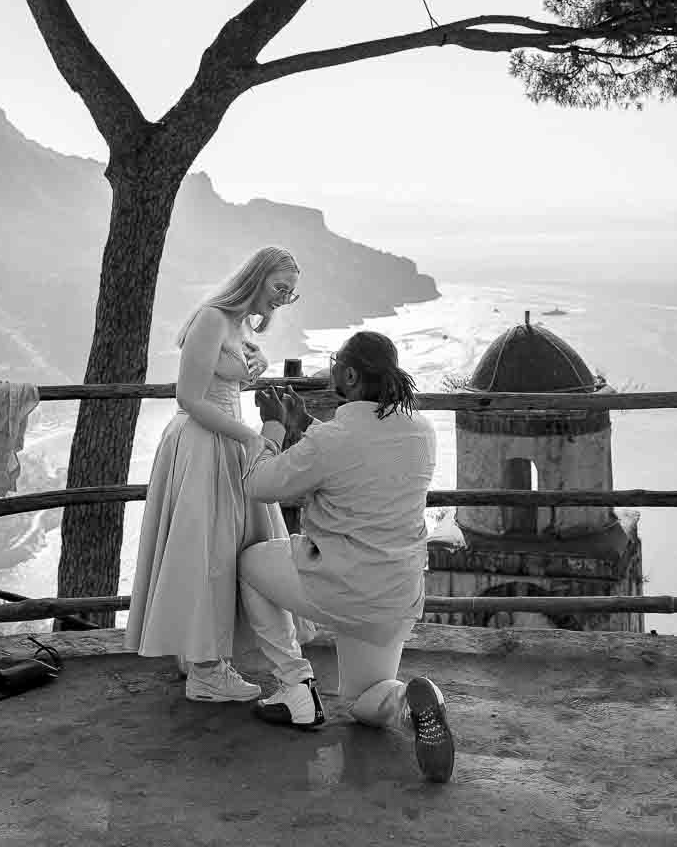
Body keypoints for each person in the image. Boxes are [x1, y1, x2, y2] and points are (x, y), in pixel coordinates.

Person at [237, 331, 455, 784]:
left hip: (338, 590)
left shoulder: (332, 441)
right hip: (395, 599)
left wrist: (276, 427)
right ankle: (414, 699)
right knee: (363, 702)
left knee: (250, 563)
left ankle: (295, 683)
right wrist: (309, 430)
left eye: (337, 363)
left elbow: (259, 486)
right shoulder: (422, 431)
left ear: (351, 375)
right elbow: (359, 455)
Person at [124, 246, 301, 703]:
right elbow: (189, 396)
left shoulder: (236, 324)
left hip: (224, 440)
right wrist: (249, 436)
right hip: (205, 442)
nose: (283, 299)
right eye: (279, 288)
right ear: (257, 278)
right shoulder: (212, 318)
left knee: (222, 549)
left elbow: (224, 375)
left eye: (290, 294)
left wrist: (253, 365)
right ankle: (205, 672)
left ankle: (204, 657)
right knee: (207, 551)